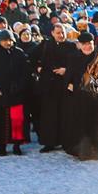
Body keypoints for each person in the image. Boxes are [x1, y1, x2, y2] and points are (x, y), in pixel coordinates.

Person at [36, 24, 70, 152]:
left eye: (62, 32)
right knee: (49, 116)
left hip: (65, 85)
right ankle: (49, 142)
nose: (61, 35)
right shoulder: (45, 45)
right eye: (58, 33)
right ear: (52, 33)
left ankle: (65, 141)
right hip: (49, 86)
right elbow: (32, 58)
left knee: (65, 114)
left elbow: (75, 64)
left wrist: (66, 70)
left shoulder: (71, 46)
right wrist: (38, 68)